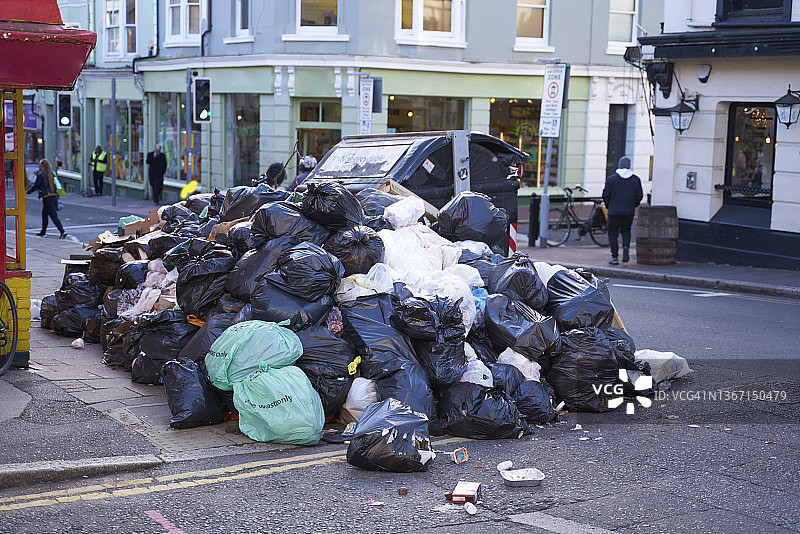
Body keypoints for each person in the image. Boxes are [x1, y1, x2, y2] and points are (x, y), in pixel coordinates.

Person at [602, 155, 643, 265]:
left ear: (619, 165)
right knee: (626, 231)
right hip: (628, 211)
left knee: (613, 233)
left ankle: (615, 256)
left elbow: (606, 195)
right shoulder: (636, 180)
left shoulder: (611, 179)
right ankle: (625, 247)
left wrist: (608, 205)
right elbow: (639, 196)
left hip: (614, 211)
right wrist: (633, 205)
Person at [26, 158, 67, 239]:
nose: (39, 167)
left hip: (47, 198)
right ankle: (43, 232)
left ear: (42, 166)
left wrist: (29, 192)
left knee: (53, 216)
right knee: (44, 214)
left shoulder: (41, 175)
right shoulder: (52, 174)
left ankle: (62, 231)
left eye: (40, 165)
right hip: (54, 197)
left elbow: (36, 186)